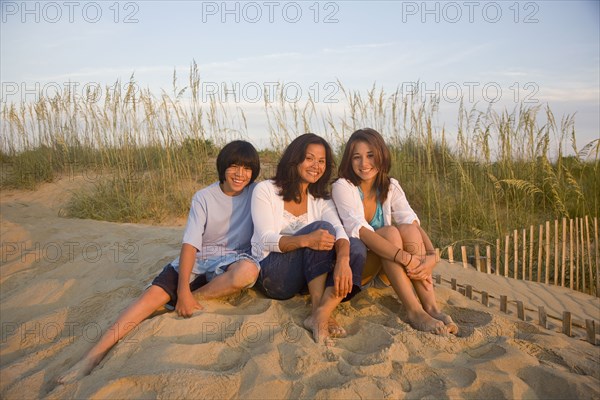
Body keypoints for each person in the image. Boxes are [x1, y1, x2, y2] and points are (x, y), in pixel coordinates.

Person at [58, 140, 262, 383]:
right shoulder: (204, 197)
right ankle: (91, 357)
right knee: (146, 302)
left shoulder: (257, 193)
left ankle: (190, 300)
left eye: (247, 169)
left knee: (247, 272)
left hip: (233, 260)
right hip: (200, 259)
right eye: (234, 166)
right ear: (223, 166)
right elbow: (190, 245)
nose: (240, 174)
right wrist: (183, 288)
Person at [332, 128, 458, 335]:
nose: (364, 163)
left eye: (370, 155)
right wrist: (406, 258)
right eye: (357, 157)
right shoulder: (343, 186)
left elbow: (411, 221)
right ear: (349, 160)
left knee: (407, 228)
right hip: (361, 269)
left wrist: (431, 255)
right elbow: (360, 231)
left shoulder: (390, 186)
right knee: (390, 233)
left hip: (389, 272)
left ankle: (431, 307)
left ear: (382, 155)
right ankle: (414, 311)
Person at [251, 133, 365, 345]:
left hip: (306, 276)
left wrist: (342, 260)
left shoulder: (321, 199)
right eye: (309, 158)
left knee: (355, 245)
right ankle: (316, 312)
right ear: (295, 159)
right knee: (321, 230)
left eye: (321, 161)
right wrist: (306, 240)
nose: (316, 165)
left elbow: (340, 230)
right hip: (273, 274)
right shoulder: (265, 190)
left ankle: (321, 313)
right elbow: (264, 239)